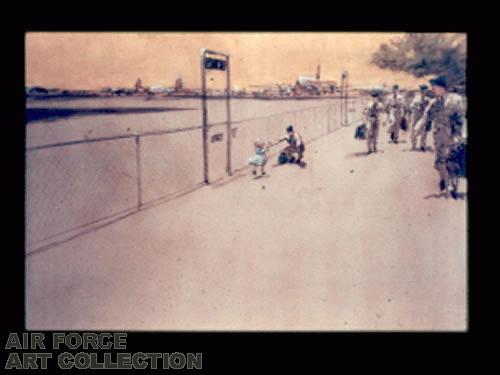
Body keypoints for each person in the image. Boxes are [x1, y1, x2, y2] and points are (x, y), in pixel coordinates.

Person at [428, 75, 467, 197]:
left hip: (453, 136)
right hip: (439, 137)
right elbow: (426, 117)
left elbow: (461, 118)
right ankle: (444, 180)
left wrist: (462, 135)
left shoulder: (455, 100)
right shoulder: (434, 103)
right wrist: (416, 129)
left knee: (451, 161)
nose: (433, 90)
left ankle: (452, 185)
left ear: (442, 88)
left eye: (434, 88)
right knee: (439, 163)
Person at [409, 85, 433, 151]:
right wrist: (417, 107)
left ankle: (422, 146)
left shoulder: (428, 99)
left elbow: (430, 108)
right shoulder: (416, 98)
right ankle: (413, 145)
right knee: (414, 130)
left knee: (424, 131)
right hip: (416, 116)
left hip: (423, 117)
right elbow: (411, 106)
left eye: (425, 90)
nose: (424, 91)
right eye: (423, 90)